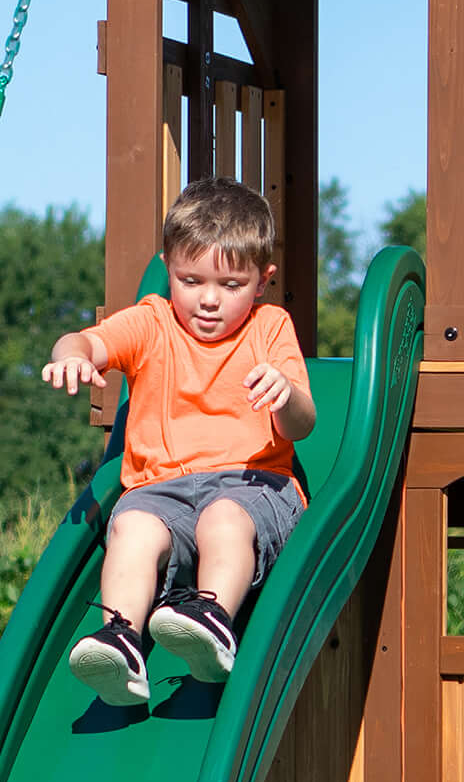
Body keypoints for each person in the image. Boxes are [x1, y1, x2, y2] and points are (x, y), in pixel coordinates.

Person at [40, 178, 313, 703]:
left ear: (262, 281)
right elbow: (84, 341)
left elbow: (302, 425)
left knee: (223, 518)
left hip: (253, 486)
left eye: (231, 285)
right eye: (191, 280)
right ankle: (122, 638)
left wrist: (286, 395)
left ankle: (211, 620)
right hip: (162, 491)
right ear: (169, 268)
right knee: (133, 525)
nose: (209, 300)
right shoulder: (152, 322)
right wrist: (69, 357)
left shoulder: (270, 327)